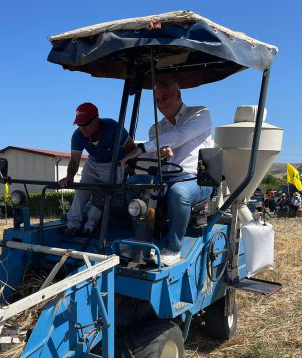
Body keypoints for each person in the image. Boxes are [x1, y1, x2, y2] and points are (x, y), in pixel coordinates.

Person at [120, 78, 213, 264]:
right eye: (157, 99)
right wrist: (160, 153)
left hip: (197, 179)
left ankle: (173, 248)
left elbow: (180, 136)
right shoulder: (156, 128)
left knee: (179, 192)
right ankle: (143, 239)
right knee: (133, 183)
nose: (161, 103)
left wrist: (142, 148)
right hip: (166, 178)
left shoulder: (200, 114)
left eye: (166, 97)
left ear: (179, 95)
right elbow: (157, 156)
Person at [60, 102, 136, 236]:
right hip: (93, 163)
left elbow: (132, 149)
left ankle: (89, 227)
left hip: (114, 164)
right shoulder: (77, 136)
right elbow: (74, 161)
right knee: (81, 191)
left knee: (103, 195)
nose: (82, 129)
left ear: (96, 119)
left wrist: (130, 169)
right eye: (79, 125)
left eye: (86, 124)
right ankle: (72, 225)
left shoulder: (113, 128)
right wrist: (69, 176)